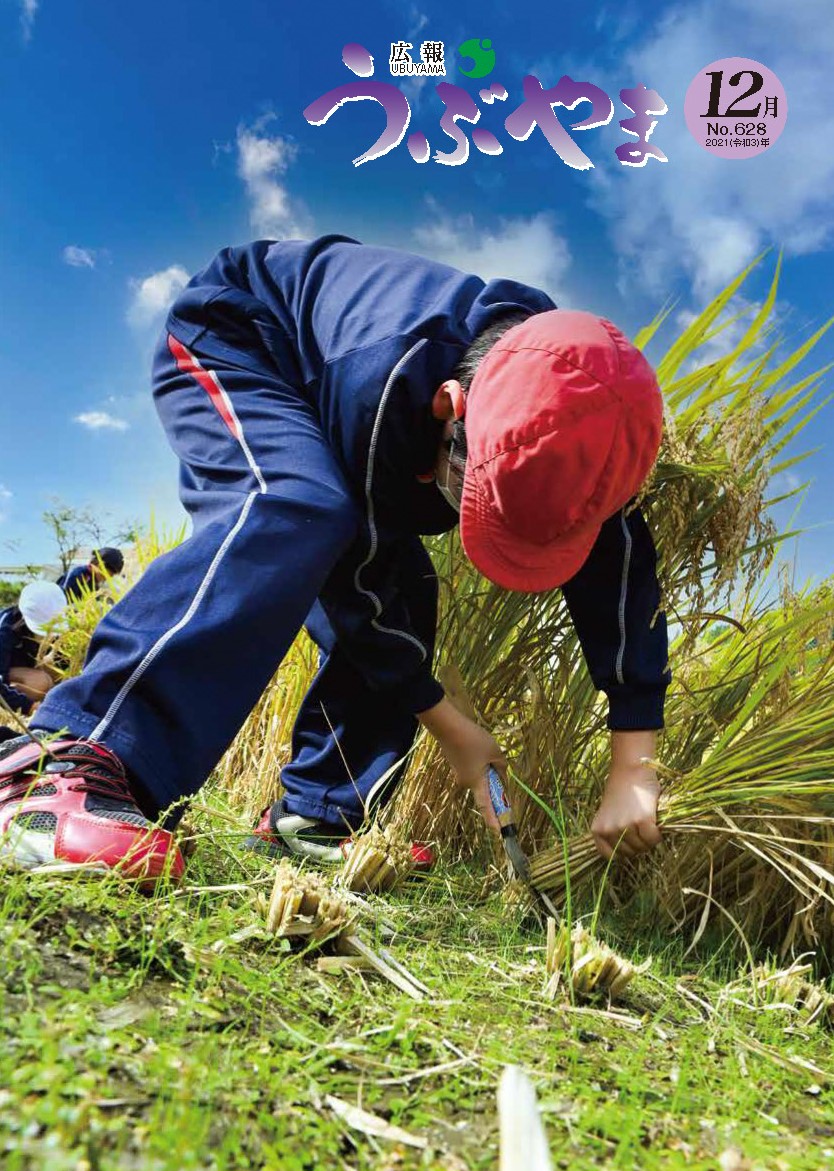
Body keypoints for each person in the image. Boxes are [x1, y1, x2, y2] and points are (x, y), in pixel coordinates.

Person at [0, 236, 669, 883]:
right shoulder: (389, 377)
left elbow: (624, 577)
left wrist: (633, 765)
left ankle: (317, 817)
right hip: (239, 338)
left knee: (407, 586)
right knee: (297, 506)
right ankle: (68, 759)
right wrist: (456, 731)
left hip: (352, 406)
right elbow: (353, 584)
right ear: (452, 408)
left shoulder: (589, 428)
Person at [0, 581, 67, 718]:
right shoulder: (5, 632)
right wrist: (30, 707)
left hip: (21, 669)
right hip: (5, 674)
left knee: (52, 678)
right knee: (42, 682)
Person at [59, 547, 125, 601]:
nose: (106, 579)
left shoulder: (94, 580)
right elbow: (63, 599)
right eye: (105, 576)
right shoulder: (77, 574)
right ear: (100, 565)